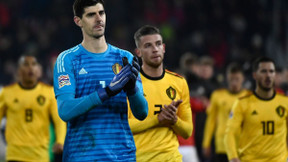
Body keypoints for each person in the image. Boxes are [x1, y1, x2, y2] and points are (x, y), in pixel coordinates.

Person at [53, 0, 148, 161]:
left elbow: (142, 113)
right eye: (91, 15)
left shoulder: (125, 58)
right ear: (78, 21)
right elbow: (65, 110)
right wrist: (107, 92)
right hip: (83, 156)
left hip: (122, 156)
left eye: (101, 13)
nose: (98, 19)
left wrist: (132, 90)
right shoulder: (67, 59)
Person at [128, 25, 193, 161]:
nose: (155, 49)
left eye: (158, 44)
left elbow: (187, 131)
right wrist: (157, 120)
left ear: (163, 48)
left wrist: (174, 120)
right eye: (148, 46)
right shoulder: (130, 84)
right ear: (138, 52)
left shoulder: (179, 82)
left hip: (171, 157)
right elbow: (124, 126)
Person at [0, 55, 66, 161]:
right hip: (15, 155)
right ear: (18, 72)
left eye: (34, 64)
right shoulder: (7, 93)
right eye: (25, 65)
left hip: (40, 156)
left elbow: (59, 120)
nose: (30, 68)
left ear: (39, 71)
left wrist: (60, 141)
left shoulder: (48, 93)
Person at [224, 57, 288, 162]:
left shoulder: (285, 102)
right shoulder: (242, 103)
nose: (268, 75)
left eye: (271, 71)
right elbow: (230, 133)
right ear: (255, 75)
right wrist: (233, 157)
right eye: (263, 71)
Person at [202, 63, 249, 162]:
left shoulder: (249, 97)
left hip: (243, 145)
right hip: (222, 144)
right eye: (232, 79)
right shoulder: (217, 95)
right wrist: (206, 143)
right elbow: (211, 120)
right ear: (227, 78)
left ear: (243, 79)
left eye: (237, 79)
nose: (234, 83)